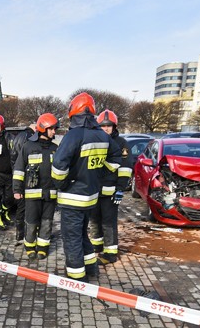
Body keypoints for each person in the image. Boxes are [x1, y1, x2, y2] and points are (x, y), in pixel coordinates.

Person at [52, 93, 122, 282]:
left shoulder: (73, 135)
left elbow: (58, 166)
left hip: (72, 198)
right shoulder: (102, 135)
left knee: (72, 237)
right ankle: (91, 268)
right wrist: (99, 175)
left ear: (73, 111)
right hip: (91, 196)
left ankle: (77, 276)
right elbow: (116, 159)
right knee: (83, 233)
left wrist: (63, 184)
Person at [90, 109, 132, 265]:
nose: (106, 128)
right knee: (94, 220)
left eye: (109, 125)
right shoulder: (95, 142)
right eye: (103, 125)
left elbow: (126, 168)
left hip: (111, 192)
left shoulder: (121, 144)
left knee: (108, 222)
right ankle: (97, 245)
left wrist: (120, 189)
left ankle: (110, 253)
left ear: (115, 126)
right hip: (94, 191)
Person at [13, 114, 58, 259]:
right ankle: (30, 246)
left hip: (50, 193)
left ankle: (43, 247)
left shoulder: (55, 148)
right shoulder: (28, 147)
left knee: (47, 223)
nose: (54, 132)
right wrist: (17, 189)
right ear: (43, 128)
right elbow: (19, 169)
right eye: (51, 129)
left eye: (54, 129)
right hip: (32, 194)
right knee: (31, 222)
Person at [10, 123, 37, 243]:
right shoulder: (30, 138)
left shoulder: (18, 136)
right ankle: (28, 233)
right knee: (29, 207)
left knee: (20, 207)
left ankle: (19, 233)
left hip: (16, 174)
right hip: (27, 176)